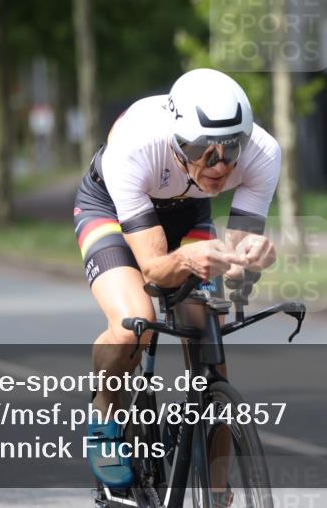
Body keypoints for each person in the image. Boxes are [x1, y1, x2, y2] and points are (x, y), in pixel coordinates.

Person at [73, 68, 280, 491]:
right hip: (110, 209)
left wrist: (254, 256)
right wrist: (186, 258)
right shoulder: (136, 146)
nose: (219, 165)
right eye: (203, 150)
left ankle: (218, 492)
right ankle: (105, 412)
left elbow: (238, 256)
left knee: (208, 337)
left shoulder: (263, 152)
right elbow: (153, 268)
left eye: (231, 149)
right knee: (135, 323)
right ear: (176, 140)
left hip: (188, 214)